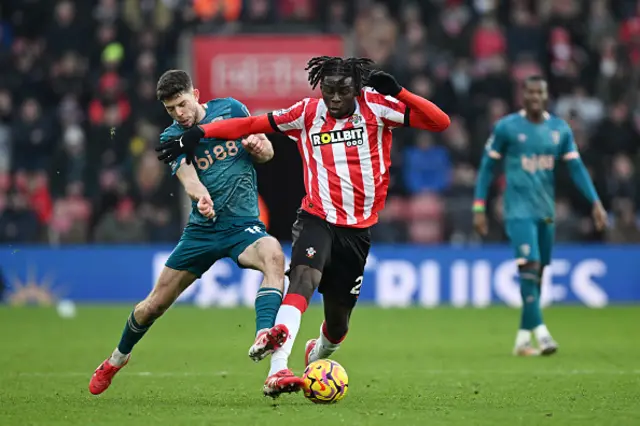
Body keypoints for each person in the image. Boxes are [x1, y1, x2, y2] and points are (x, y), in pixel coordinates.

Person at [156, 56, 450, 397]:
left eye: (343, 91)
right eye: (328, 91)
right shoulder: (307, 113)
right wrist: (199, 133)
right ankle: (277, 365)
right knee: (302, 279)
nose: (335, 99)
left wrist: (401, 92)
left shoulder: (379, 108)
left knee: (338, 326)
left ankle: (317, 352)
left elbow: (440, 123)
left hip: (357, 231)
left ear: (356, 88)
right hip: (317, 217)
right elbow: (249, 125)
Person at [89, 70, 289, 395]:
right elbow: (189, 178)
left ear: (195, 94)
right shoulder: (172, 138)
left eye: (182, 104)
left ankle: (263, 334)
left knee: (274, 256)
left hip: (243, 226)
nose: (179, 114)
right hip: (202, 232)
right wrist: (201, 197)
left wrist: (257, 146)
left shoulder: (232, 110)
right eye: (171, 109)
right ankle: (116, 359)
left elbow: (268, 153)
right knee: (152, 306)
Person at [472, 75, 608, 357]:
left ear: (546, 96)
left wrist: (595, 202)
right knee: (530, 266)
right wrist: (479, 206)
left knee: (538, 274)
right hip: (517, 210)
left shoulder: (559, 130)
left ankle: (522, 340)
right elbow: (487, 167)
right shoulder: (507, 127)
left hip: (545, 211)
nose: (535, 98)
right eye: (530, 93)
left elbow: (577, 169)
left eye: (540, 93)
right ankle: (542, 334)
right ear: (523, 96)